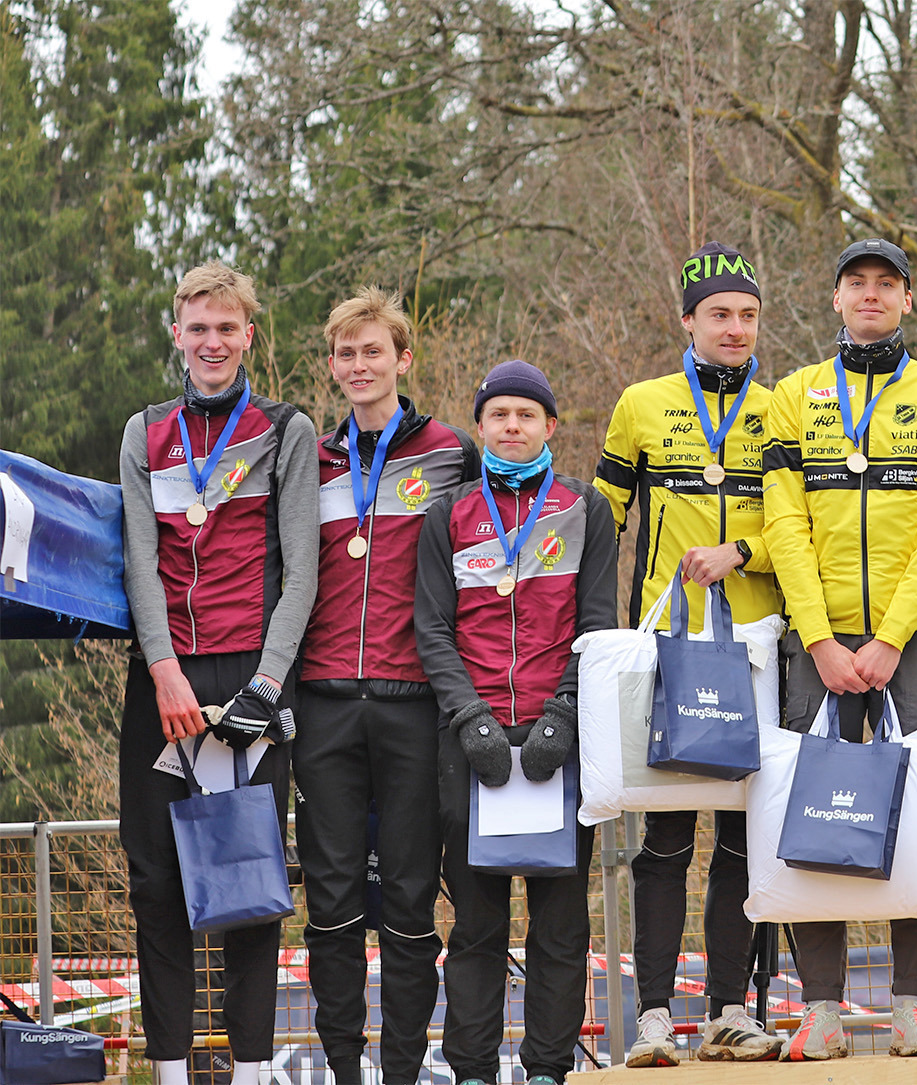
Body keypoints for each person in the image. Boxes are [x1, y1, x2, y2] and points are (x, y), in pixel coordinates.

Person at [760, 238, 917, 1060]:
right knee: (813, 808)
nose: (873, 296)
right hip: (816, 639)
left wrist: (889, 637)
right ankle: (820, 1006)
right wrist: (818, 636)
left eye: (888, 284)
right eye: (858, 284)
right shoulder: (792, 396)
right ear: (836, 299)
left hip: (908, 640)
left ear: (909, 301)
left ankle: (913, 1005)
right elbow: (784, 522)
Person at [118, 263, 319, 1085]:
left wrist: (268, 686)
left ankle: (254, 1070)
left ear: (248, 336)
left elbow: (302, 571)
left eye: (227, 328)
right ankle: (170, 1070)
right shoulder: (145, 430)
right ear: (178, 334)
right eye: (198, 327)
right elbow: (139, 560)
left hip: (250, 676)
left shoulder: (285, 428)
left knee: (250, 878)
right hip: (162, 675)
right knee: (156, 878)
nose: (212, 342)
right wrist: (162, 669)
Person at [593, 242, 784, 1066]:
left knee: (745, 840)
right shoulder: (641, 404)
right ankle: (655, 1014)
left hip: (756, 652)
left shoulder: (786, 410)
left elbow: (802, 530)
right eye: (720, 315)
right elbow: (599, 526)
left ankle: (734, 1008)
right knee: (664, 841)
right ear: (688, 322)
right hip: (667, 652)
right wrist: (606, 637)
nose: (735, 328)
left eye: (747, 315)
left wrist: (742, 550)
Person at [415, 360, 618, 1085]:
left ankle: (546, 1069)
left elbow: (597, 624)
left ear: (550, 426)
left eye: (526, 415)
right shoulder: (450, 513)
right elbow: (432, 629)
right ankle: (471, 1069)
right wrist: (468, 718)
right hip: (468, 749)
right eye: (498, 414)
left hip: (559, 743)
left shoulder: (585, 508)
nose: (511, 425)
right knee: (475, 925)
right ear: (480, 426)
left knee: (559, 926)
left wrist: (563, 711)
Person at [299, 288, 478, 1085]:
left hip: (415, 706)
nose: (360, 365)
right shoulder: (309, 456)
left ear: (403, 358)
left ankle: (402, 1070)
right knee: (332, 904)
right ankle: (344, 1068)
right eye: (346, 353)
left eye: (374, 351)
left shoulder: (450, 451)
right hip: (326, 701)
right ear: (332, 365)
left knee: (409, 905)